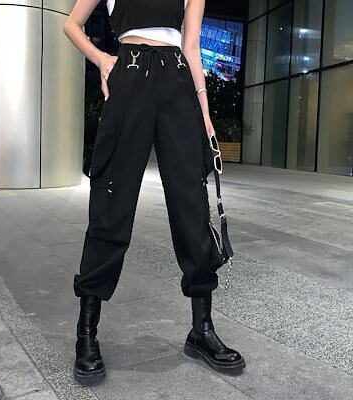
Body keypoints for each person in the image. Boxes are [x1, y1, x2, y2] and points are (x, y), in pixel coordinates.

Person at [63, 0, 245, 385]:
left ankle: (202, 329)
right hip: (129, 75)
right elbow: (72, 25)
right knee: (111, 203)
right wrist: (102, 59)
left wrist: (205, 112)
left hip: (178, 83)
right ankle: (87, 334)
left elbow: (191, 47)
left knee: (191, 206)